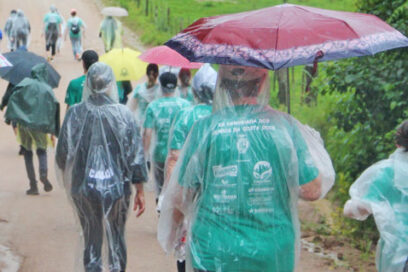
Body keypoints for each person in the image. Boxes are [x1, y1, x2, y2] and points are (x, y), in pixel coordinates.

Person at [158, 65, 335, 272]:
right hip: (271, 252)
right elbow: (312, 189)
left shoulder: (204, 129)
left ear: (223, 86)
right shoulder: (284, 128)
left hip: (213, 251)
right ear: (261, 84)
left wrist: (170, 235)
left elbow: (180, 197)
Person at [56, 62, 147, 272]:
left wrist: (70, 178)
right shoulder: (124, 116)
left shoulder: (75, 114)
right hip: (117, 190)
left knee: (91, 237)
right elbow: (136, 156)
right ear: (110, 85)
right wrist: (140, 189)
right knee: (116, 237)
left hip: (84, 188)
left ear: (88, 84)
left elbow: (62, 155)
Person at [163, 64, 217, 272]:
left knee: (185, 244)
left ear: (195, 90)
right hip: (218, 194)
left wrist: (170, 197)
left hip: (189, 192)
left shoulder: (185, 116)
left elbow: (174, 158)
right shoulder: (225, 116)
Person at [343, 119, 408, 272]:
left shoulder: (388, 172)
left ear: (397, 143)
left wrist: (350, 206)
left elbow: (356, 209)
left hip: (399, 256)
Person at [1, 63, 60, 195]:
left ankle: (33, 185)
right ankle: (43, 174)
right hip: (40, 125)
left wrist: (9, 119)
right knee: (41, 151)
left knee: (27, 153)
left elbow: (13, 99)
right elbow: (53, 108)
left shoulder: (24, 84)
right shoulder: (47, 89)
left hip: (24, 125)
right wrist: (53, 131)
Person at [143, 72, 191, 195]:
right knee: (178, 192)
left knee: (160, 191)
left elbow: (147, 133)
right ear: (176, 86)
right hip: (180, 154)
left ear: (160, 85)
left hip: (160, 153)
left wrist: (145, 155)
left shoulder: (153, 106)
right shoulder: (186, 106)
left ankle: (160, 212)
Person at [127, 63, 160, 128]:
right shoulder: (160, 90)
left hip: (139, 122)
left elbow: (130, 106)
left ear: (146, 74)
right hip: (154, 123)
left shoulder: (139, 88)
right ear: (157, 74)